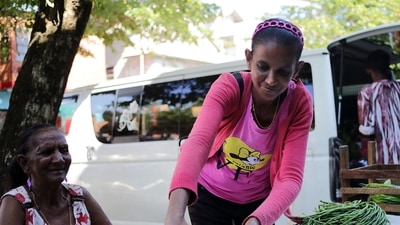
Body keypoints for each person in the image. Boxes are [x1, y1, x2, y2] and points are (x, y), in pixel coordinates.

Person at [164, 18, 313, 225]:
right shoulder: (229, 87)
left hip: (257, 201)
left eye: (283, 72)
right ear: (249, 59)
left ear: (296, 70)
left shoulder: (299, 102)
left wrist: (257, 220)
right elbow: (198, 143)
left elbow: (291, 177)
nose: (270, 80)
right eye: (262, 67)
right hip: (209, 195)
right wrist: (174, 214)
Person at [0, 124, 112, 225]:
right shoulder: (16, 203)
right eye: (46, 152)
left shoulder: (79, 196)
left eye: (64, 150)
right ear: (25, 163)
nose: (59, 159)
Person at [358, 49, 400, 164]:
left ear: (369, 70)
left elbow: (367, 130)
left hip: (386, 162)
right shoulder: (398, 87)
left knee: (387, 182)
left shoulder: (367, 92)